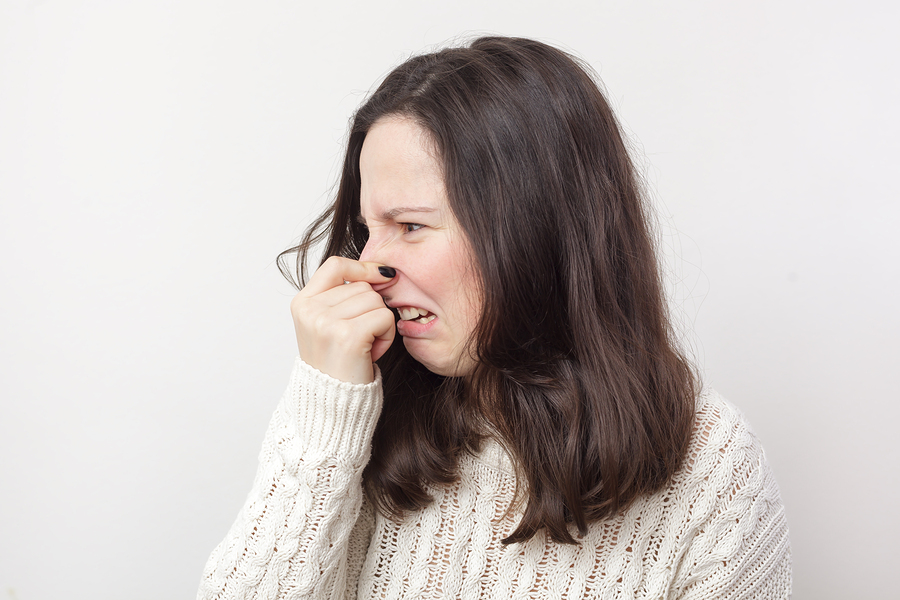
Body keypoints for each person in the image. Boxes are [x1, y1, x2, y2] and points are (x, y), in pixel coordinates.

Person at [197, 36, 791, 599]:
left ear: (533, 233)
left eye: (410, 225)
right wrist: (323, 413)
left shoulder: (713, 469)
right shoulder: (357, 415)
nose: (370, 261)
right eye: (366, 228)